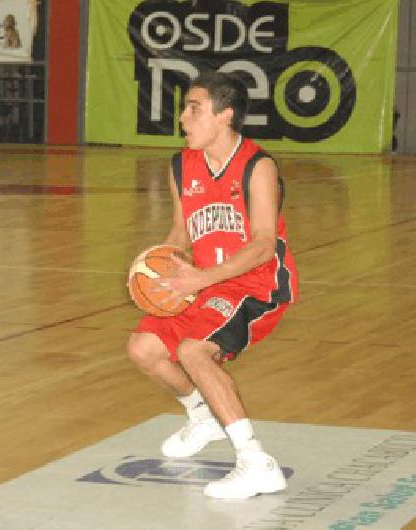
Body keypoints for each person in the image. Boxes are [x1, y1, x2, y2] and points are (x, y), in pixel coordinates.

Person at [126, 71, 299, 499]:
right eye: (186, 108)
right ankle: (200, 413)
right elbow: (182, 233)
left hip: (257, 287)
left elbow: (263, 245)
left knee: (193, 351)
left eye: (194, 108)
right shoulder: (181, 165)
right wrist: (158, 268)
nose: (183, 117)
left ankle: (256, 462)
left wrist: (202, 278)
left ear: (225, 115)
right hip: (205, 283)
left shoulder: (259, 166)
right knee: (143, 349)